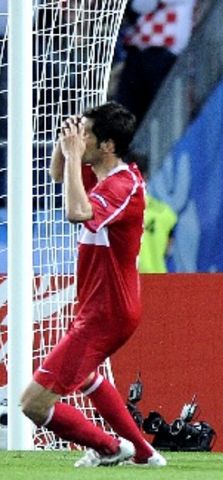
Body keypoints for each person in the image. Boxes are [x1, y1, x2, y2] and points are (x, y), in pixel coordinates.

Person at [20, 102, 166, 467]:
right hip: (97, 305)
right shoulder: (97, 171)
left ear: (107, 145)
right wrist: (65, 145)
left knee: (32, 404)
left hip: (108, 311)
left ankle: (110, 447)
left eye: (85, 133)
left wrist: (72, 154)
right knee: (86, 376)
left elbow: (76, 212)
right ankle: (145, 454)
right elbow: (58, 174)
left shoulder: (123, 185)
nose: (79, 138)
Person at [115, 0, 197, 124]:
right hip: (139, 50)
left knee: (161, 105)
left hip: (166, 52)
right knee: (127, 107)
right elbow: (140, 6)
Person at [128, 152, 178, 273]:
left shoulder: (111, 212)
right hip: (157, 278)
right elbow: (168, 249)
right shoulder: (167, 213)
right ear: (145, 177)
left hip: (127, 280)